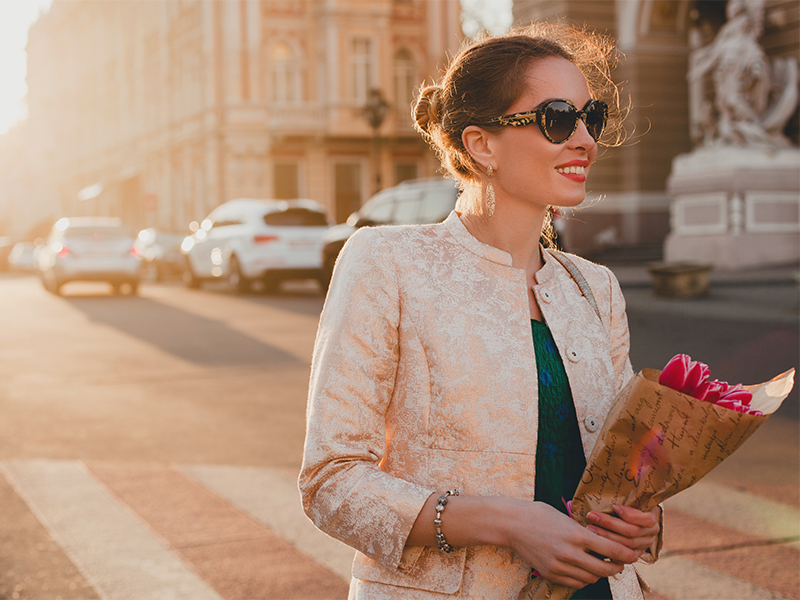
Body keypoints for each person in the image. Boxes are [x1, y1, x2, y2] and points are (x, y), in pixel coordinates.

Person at [299, 23, 662, 600]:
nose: (586, 140)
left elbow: (614, 468)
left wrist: (642, 518)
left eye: (590, 118)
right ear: (481, 144)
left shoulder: (596, 287)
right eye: (558, 118)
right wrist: (511, 522)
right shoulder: (387, 261)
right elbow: (331, 481)